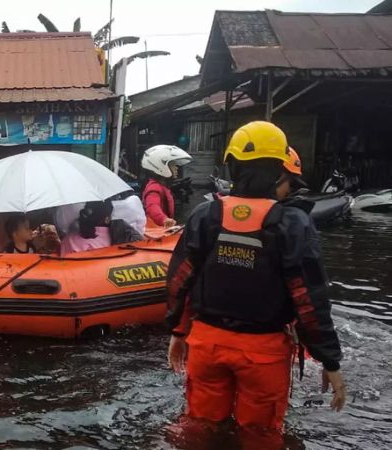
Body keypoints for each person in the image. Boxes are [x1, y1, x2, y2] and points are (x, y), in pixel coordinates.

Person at [165, 121, 345, 446]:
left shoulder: (206, 215)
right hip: (262, 354)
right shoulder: (293, 223)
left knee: (200, 427)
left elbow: (180, 281)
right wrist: (329, 359)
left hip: (207, 345)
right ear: (279, 170)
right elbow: (309, 299)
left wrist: (179, 332)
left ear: (232, 165)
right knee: (260, 435)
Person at [141, 145, 192, 227]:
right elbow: (152, 206)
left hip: (162, 230)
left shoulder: (163, 186)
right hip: (156, 232)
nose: (176, 168)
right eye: (173, 165)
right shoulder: (154, 187)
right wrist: (164, 219)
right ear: (161, 167)